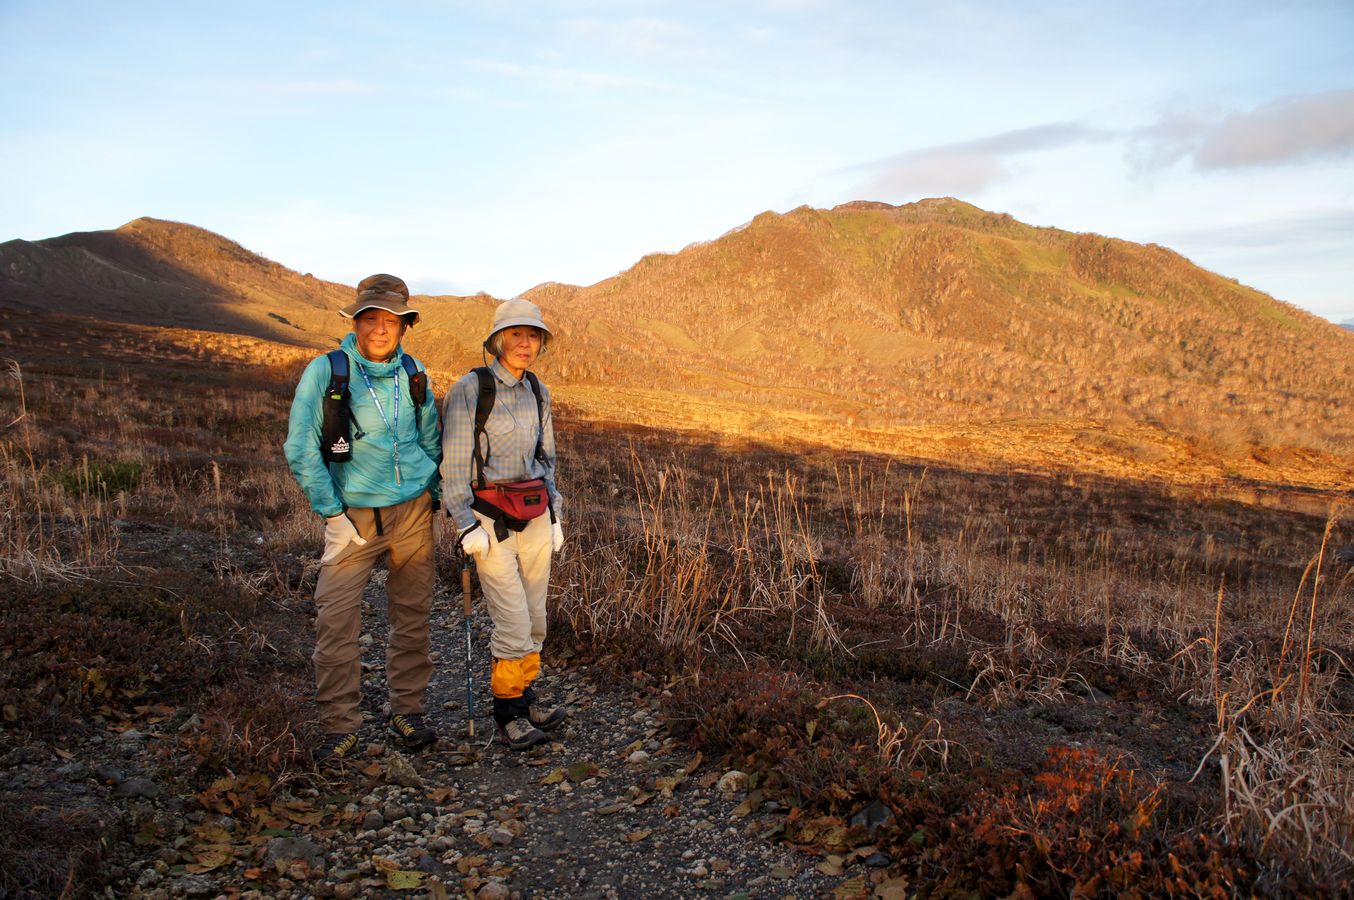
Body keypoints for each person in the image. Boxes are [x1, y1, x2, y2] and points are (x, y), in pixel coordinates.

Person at [283, 274, 443, 762]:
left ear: (404, 326)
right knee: (336, 617)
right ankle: (339, 724)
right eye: (370, 318)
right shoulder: (327, 371)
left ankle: (407, 710)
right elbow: (300, 447)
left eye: (390, 320)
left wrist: (432, 489)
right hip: (351, 517)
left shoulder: (413, 372)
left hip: (412, 512)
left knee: (413, 617)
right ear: (355, 321)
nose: (379, 328)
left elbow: (430, 435)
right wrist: (331, 513)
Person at [441, 297, 567, 750]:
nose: (524, 343)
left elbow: (545, 459)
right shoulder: (471, 389)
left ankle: (526, 694)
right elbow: (453, 465)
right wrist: (463, 523)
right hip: (489, 523)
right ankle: (508, 714)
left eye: (532, 335)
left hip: (534, 517)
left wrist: (555, 512)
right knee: (512, 621)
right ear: (498, 339)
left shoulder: (539, 391)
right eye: (515, 334)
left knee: (535, 620)